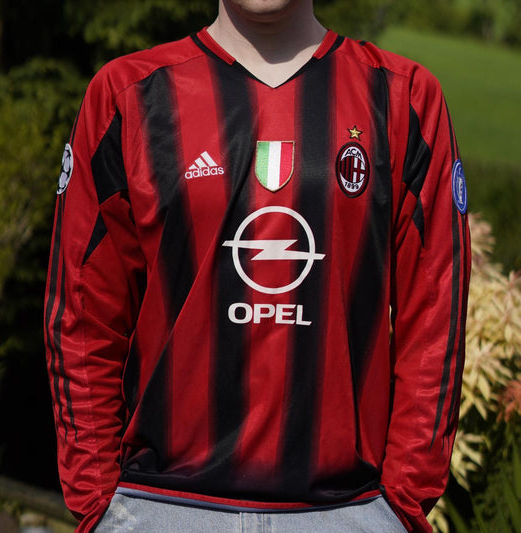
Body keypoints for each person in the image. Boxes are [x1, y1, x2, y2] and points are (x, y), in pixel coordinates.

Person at [44, 0, 471, 531]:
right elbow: (82, 312)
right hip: (157, 507)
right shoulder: (129, 95)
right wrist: (100, 501)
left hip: (347, 511)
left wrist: (399, 506)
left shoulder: (404, 98)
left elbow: (436, 313)